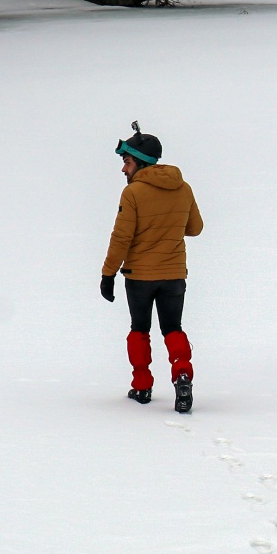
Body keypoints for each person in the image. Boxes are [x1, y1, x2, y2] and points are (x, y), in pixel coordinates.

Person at [101, 122, 204, 413]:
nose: (123, 169)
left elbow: (121, 238)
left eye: (127, 162)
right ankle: (182, 375)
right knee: (173, 328)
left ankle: (142, 385)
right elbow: (195, 228)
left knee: (140, 329)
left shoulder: (132, 194)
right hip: (173, 275)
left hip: (140, 278)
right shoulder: (183, 188)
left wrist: (108, 274)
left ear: (140, 162)